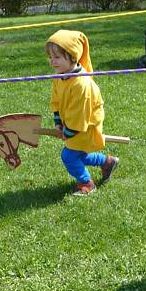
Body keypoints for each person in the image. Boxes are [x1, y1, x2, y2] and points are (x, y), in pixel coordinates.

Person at [46, 30, 119, 195]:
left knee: (69, 156)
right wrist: (58, 122)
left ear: (73, 56)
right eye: (50, 57)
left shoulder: (81, 85)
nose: (52, 61)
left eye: (57, 57)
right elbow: (56, 100)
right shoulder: (60, 76)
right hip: (72, 125)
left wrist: (69, 132)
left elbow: (80, 115)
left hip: (86, 126)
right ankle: (108, 162)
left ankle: (86, 183)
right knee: (79, 154)